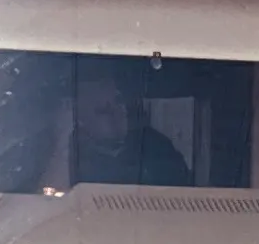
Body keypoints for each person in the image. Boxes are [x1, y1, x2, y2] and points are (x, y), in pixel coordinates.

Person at [65, 62, 193, 186]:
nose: (118, 112)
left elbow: (186, 191)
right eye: (104, 111)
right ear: (82, 120)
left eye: (119, 101)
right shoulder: (71, 158)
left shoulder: (156, 147)